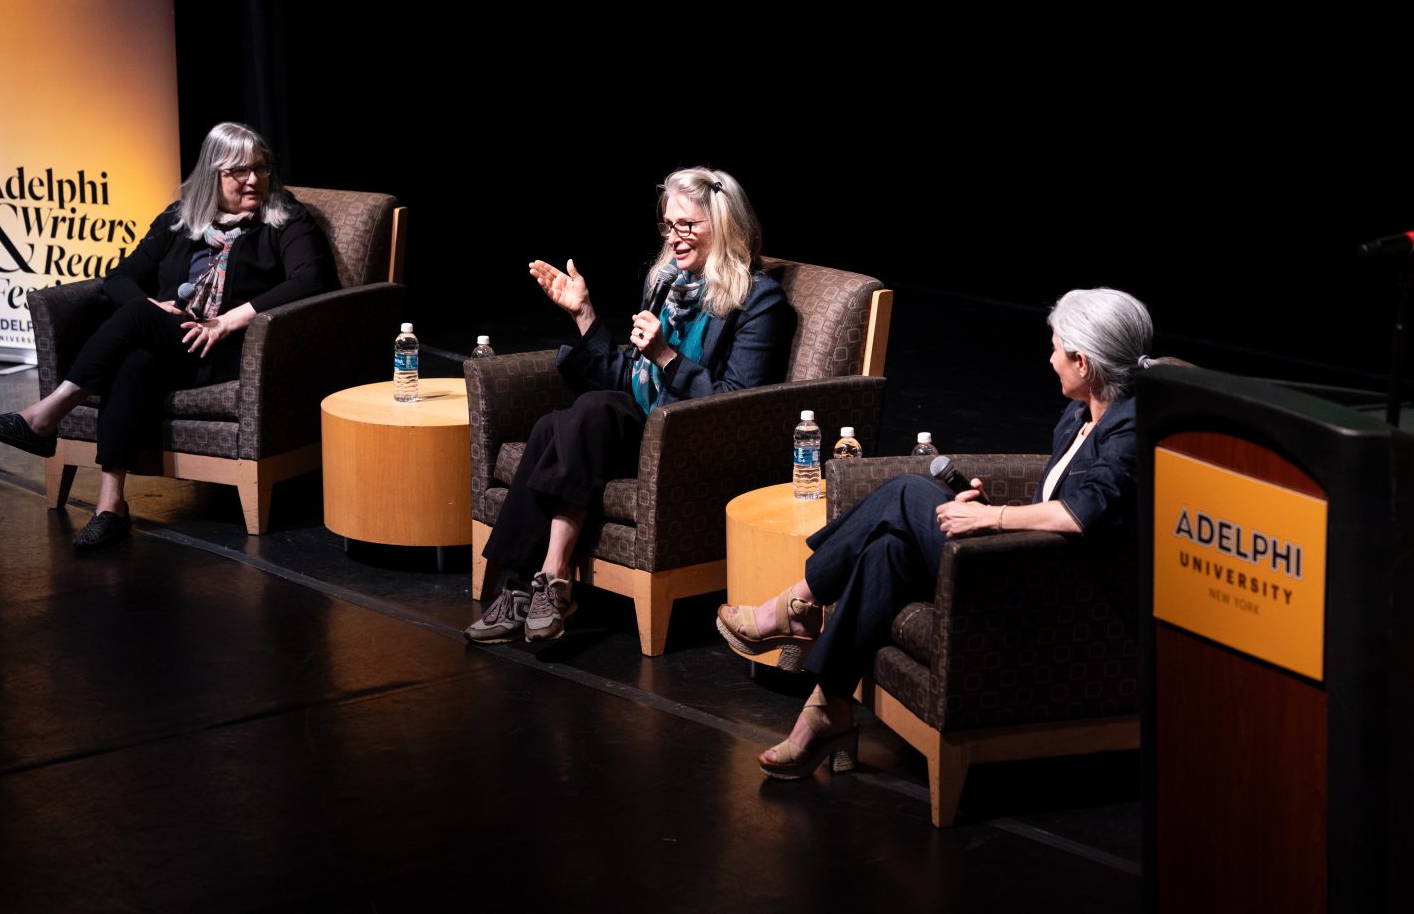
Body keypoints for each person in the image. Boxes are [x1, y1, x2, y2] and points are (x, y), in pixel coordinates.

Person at [716, 288, 1155, 779]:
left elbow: (1082, 513)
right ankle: (828, 708)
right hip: (1028, 559)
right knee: (887, 550)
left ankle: (796, 604)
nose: (1050, 360)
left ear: (1084, 362)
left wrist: (995, 520)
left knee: (906, 492)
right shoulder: (1078, 416)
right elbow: (1052, 507)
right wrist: (986, 510)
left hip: (1056, 592)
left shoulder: (1129, 428)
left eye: (1056, 349)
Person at [469, 167, 793, 644]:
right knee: (561, 423)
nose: (676, 238)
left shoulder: (758, 301)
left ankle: (534, 582)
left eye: (688, 225)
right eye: (668, 225)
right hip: (641, 424)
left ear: (723, 225)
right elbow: (628, 376)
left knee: (576, 420)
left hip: (691, 440)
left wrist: (665, 356)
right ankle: (539, 585)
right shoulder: (665, 283)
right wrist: (584, 315)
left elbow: (736, 404)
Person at [0, 122, 335, 550]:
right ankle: (111, 508)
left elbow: (310, 279)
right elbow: (120, 278)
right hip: (175, 343)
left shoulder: (285, 218)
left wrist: (226, 321)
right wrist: (152, 307)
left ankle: (45, 417)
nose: (253, 180)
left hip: (234, 351)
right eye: (238, 171)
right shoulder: (180, 220)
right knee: (136, 356)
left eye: (260, 168)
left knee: (139, 328)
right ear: (212, 174)